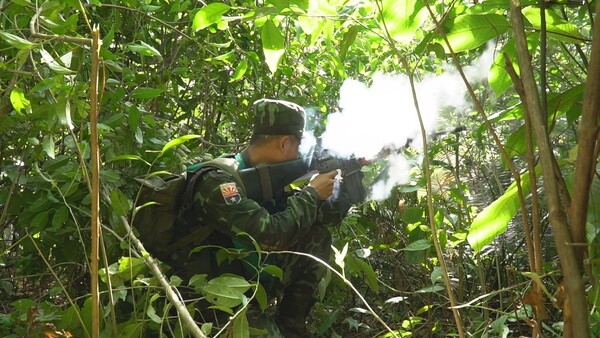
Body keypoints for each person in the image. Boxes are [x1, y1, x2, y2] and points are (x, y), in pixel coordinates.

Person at [174, 98, 344, 337]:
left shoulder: (262, 179)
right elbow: (272, 235)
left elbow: (316, 221)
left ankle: (291, 327)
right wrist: (312, 193)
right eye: (297, 147)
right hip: (204, 294)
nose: (299, 155)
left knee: (316, 236)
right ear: (285, 143)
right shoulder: (217, 183)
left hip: (239, 278)